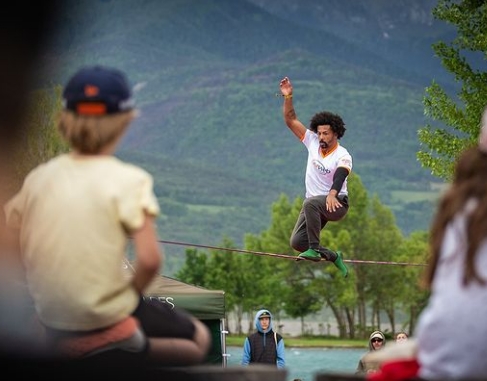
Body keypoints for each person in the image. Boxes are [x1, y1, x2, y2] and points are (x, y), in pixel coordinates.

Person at [3, 65, 211, 365]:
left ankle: (76, 342)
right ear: (124, 123)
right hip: (109, 312)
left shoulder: (38, 179)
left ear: (63, 120)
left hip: (54, 316)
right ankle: (117, 338)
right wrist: (123, 303)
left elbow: (10, 245)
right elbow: (150, 260)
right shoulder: (129, 180)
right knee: (199, 339)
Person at [279, 76, 350, 277]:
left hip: (337, 204)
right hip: (316, 205)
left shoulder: (342, 154)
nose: (321, 138)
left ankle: (314, 249)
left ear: (335, 133)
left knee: (310, 204)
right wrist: (288, 96)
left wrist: (332, 194)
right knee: (298, 242)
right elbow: (290, 119)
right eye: (319, 133)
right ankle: (334, 256)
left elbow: (341, 174)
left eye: (326, 134)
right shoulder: (311, 142)